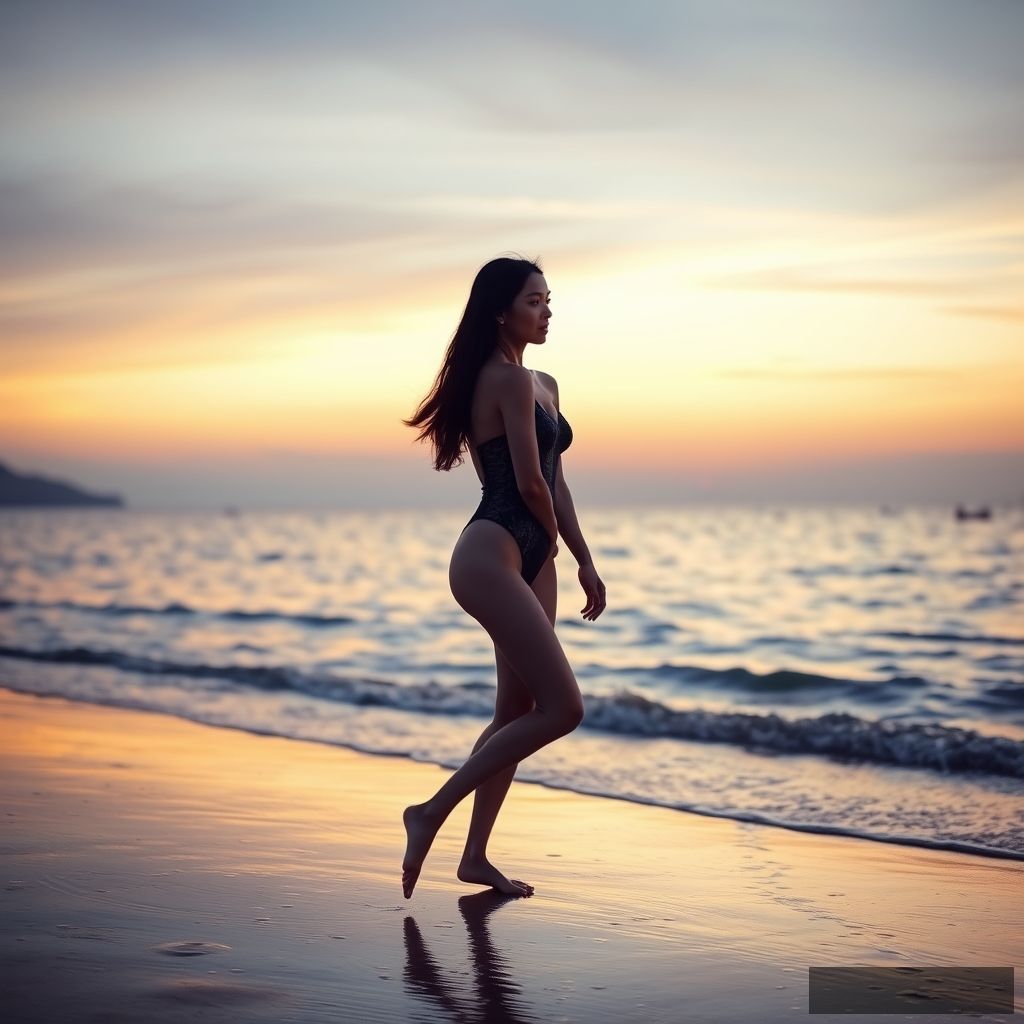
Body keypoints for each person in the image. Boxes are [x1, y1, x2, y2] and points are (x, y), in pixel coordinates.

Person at [400, 255, 606, 900]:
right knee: (564, 707)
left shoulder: (543, 381)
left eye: (549, 301)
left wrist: (583, 559)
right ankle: (429, 812)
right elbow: (528, 482)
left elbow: (559, 479)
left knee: (515, 711)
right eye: (534, 301)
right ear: (501, 311)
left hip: (533, 554)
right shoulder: (507, 383)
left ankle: (476, 858)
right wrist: (553, 546)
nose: (546, 311)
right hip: (491, 553)